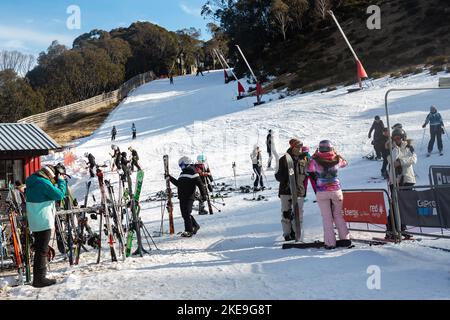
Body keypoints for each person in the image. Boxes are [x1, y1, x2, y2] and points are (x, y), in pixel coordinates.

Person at [25, 164, 67, 287]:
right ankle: (39, 279)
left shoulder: (33, 180)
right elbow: (59, 195)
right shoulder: (43, 182)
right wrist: (61, 182)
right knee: (42, 251)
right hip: (43, 220)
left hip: (35, 219)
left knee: (40, 249)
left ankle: (38, 278)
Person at [308, 140, 350, 249]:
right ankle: (345, 239)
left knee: (327, 218)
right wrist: (336, 154)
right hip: (336, 190)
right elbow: (345, 163)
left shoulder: (315, 160)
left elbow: (309, 168)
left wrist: (314, 156)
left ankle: (330, 242)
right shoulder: (337, 159)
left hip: (322, 191)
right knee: (338, 215)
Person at [386, 127, 417, 239]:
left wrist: (401, 162)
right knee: (394, 206)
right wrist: (395, 148)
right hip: (395, 181)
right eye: (395, 138)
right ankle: (391, 230)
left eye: (399, 138)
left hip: (407, 179)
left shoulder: (409, 148)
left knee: (405, 206)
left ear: (403, 138)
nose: (397, 140)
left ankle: (402, 229)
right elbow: (391, 160)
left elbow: (413, 159)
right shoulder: (391, 149)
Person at [275, 139, 308, 241]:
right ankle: (287, 234)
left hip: (298, 191)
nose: (300, 149)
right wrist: (286, 172)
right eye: (298, 147)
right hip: (285, 191)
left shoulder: (304, 160)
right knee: (286, 214)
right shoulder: (283, 160)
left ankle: (296, 233)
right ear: (293, 147)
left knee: (298, 214)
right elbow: (278, 177)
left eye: (301, 147)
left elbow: (305, 176)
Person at [166, 156, 207, 237]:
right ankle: (195, 225)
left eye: (182, 165)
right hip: (182, 196)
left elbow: (200, 184)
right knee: (185, 214)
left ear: (187, 164)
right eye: (180, 166)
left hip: (189, 196)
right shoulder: (182, 174)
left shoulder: (193, 172)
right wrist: (170, 178)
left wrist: (203, 195)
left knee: (186, 213)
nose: (181, 167)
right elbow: (178, 184)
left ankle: (189, 230)